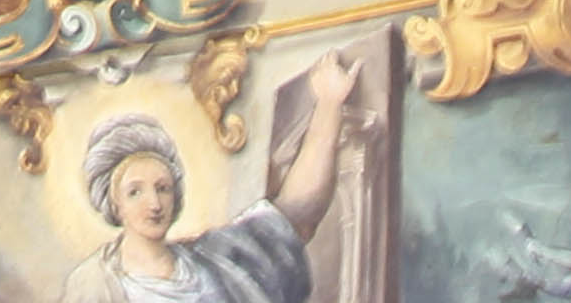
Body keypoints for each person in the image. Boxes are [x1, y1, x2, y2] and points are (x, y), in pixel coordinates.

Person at [57, 56, 359, 303]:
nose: (154, 203)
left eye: (163, 188)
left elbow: (298, 213)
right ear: (114, 203)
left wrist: (329, 105)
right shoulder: (93, 287)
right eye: (135, 192)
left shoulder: (220, 259)